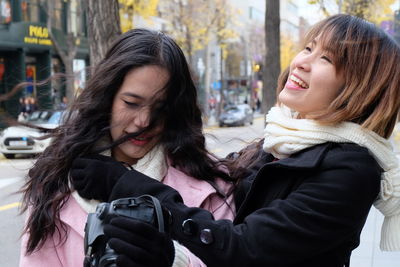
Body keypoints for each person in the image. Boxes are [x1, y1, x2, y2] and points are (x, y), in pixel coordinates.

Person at [71, 14, 400, 267]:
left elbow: (244, 247)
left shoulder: (350, 172)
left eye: (325, 59)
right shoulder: (284, 142)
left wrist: (126, 184)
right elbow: (215, 184)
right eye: (309, 48)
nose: (301, 61)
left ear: (360, 87)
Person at [19, 28, 235, 267]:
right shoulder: (55, 183)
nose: (144, 121)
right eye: (131, 103)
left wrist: (175, 260)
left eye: (160, 108)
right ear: (107, 97)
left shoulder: (212, 187)